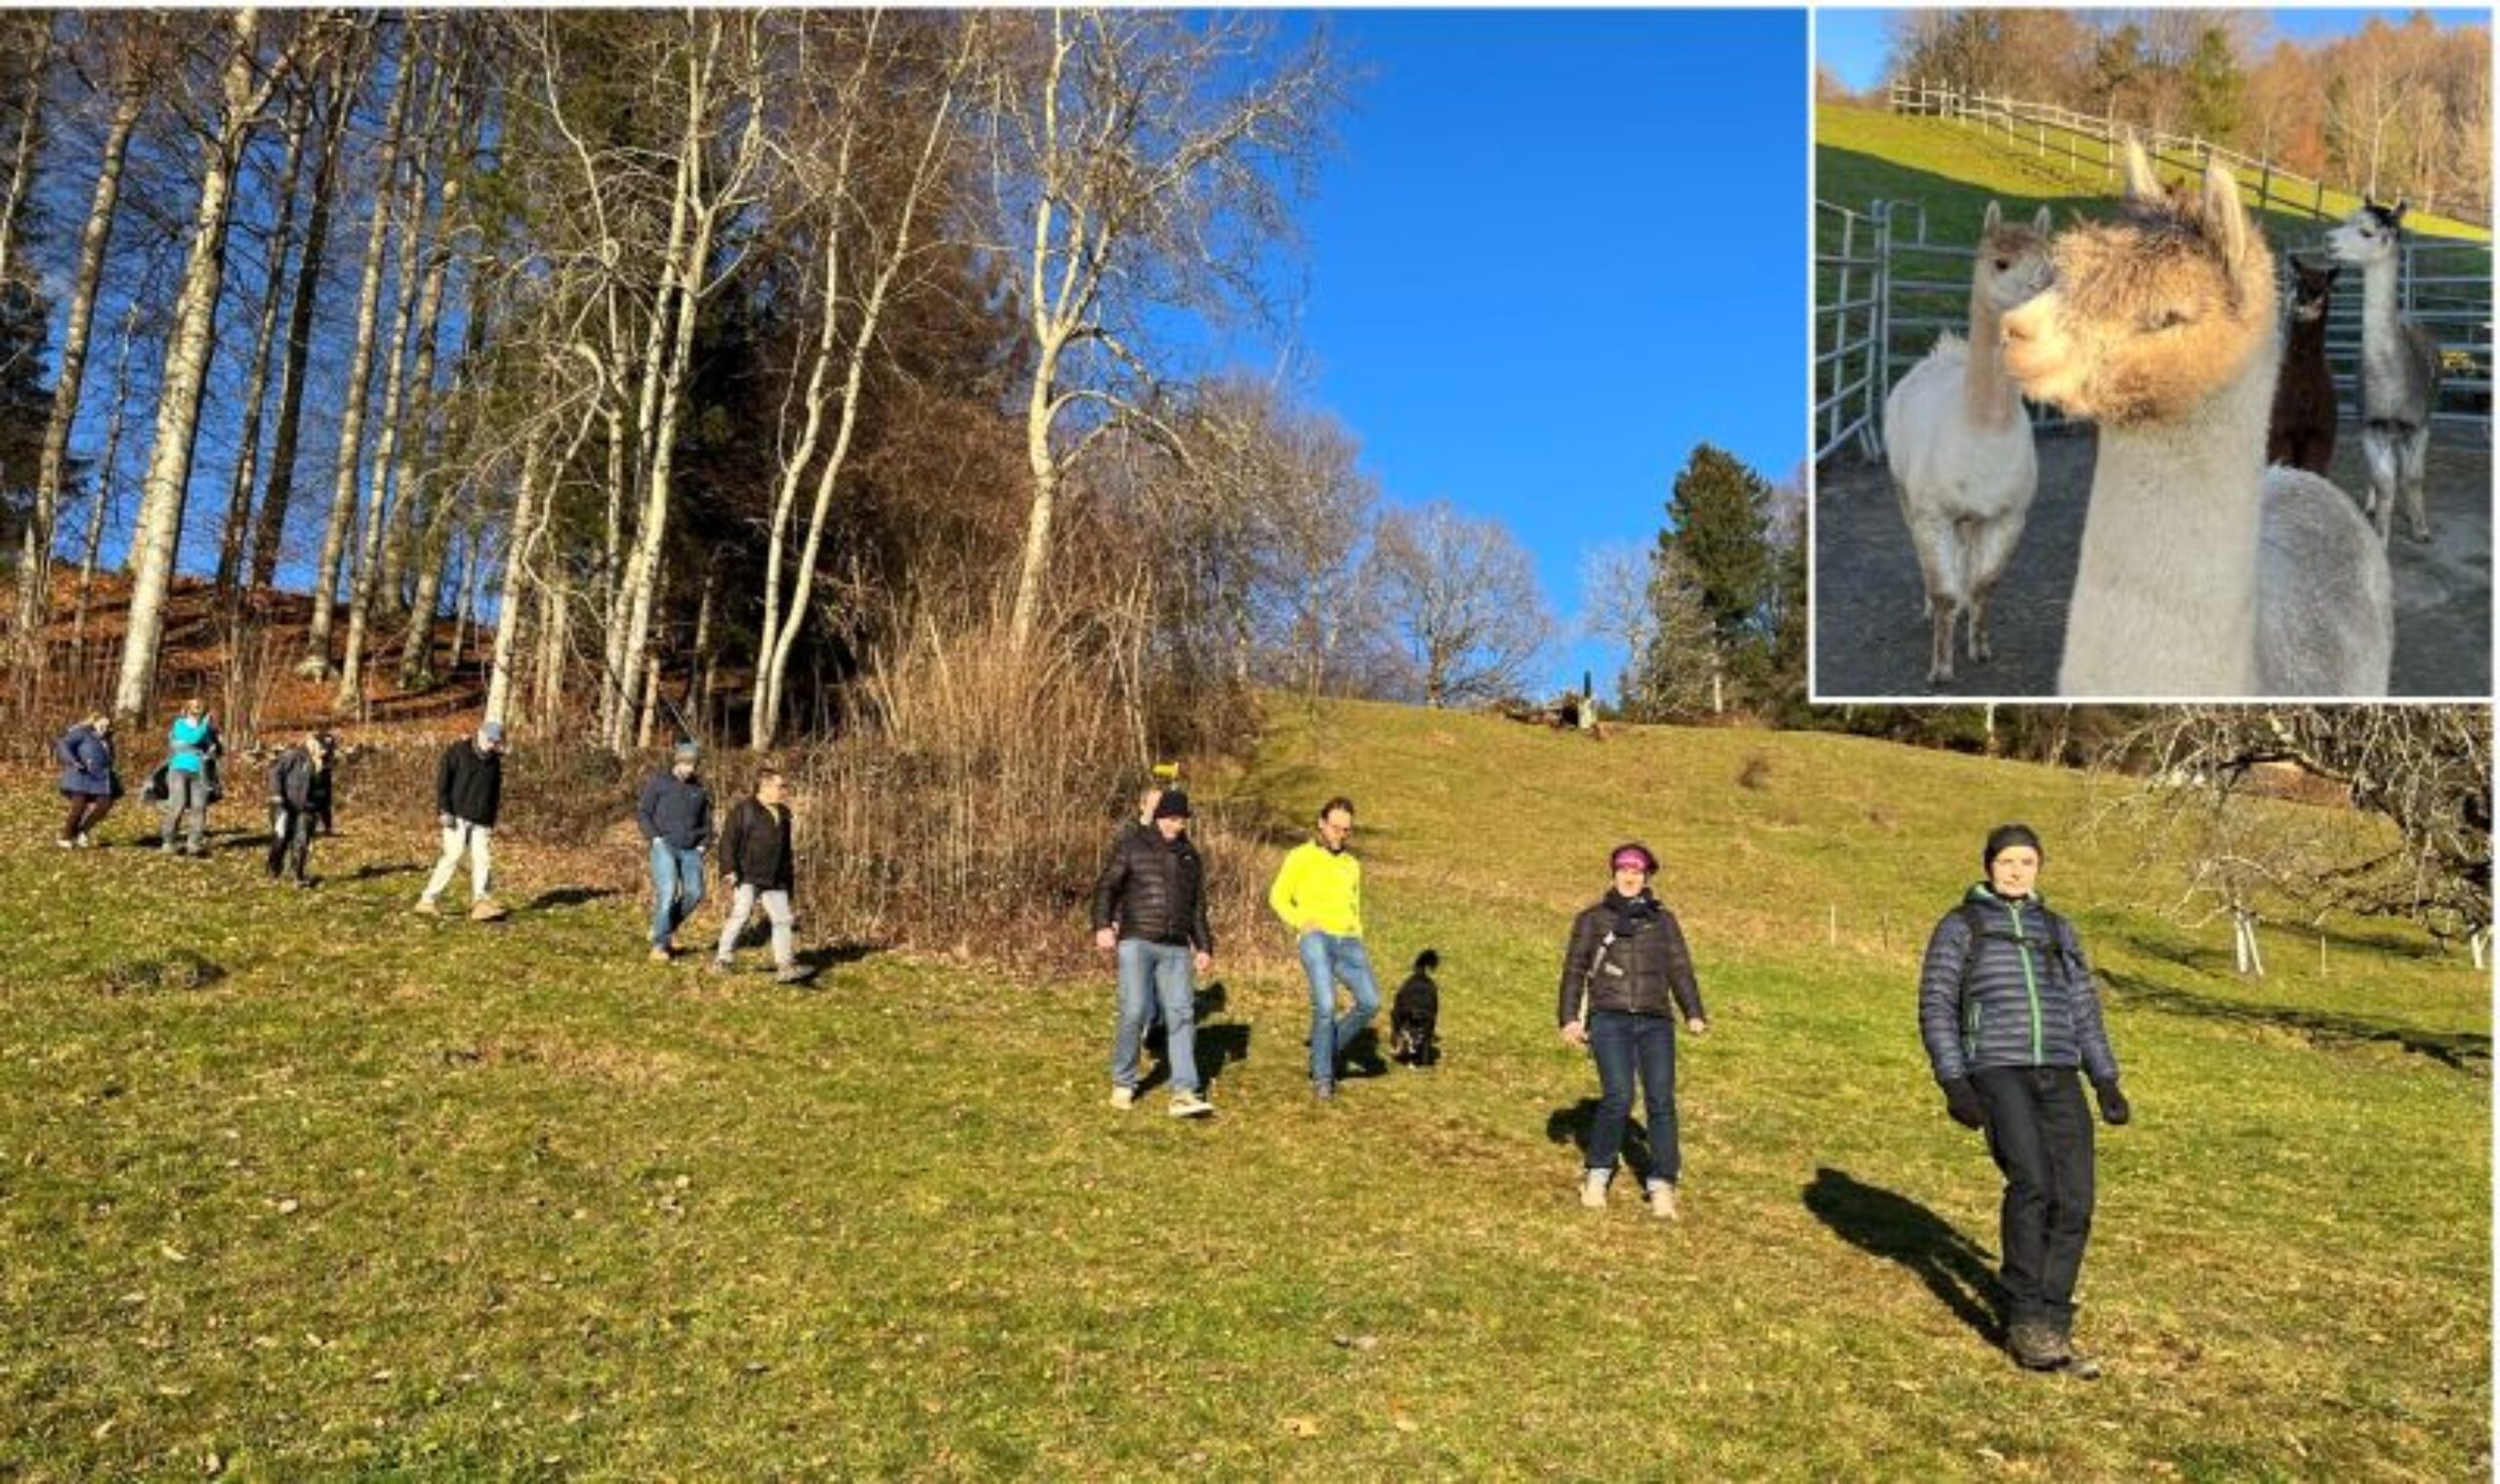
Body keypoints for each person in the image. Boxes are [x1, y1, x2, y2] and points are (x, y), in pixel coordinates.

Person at [1918, 823, 2128, 1377]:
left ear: (2039, 869)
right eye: (2007, 861)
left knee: (2076, 1197)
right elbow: (1937, 1002)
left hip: (2058, 1069)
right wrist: (1953, 1081)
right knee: (2032, 1182)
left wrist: (2104, 1077)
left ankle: (2055, 1316)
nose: (2016, 871)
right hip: (1997, 1066)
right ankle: (2025, 1313)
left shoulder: (2058, 929)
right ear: (1989, 865)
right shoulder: (1962, 926)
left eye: (2027, 862)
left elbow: (2084, 1005)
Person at [1557, 843, 1708, 1218]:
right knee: (1619, 1097)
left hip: (1656, 1020)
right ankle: (1597, 1173)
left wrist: (1693, 1011)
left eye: (1638, 871)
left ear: (1647, 877)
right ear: (1613, 873)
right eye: (1624, 868)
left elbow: (1679, 967)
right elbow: (1574, 970)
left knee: (1661, 1101)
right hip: (1609, 1017)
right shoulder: (1591, 919)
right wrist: (1569, 1018)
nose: (1630, 876)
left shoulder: (1663, 921)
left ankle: (1662, 1184)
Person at [1093, 789, 1215, 1117]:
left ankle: (1184, 1091)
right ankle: (1123, 1081)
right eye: (1174, 819)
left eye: (1183, 820)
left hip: (1176, 948)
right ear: (1160, 817)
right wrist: (1103, 925)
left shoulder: (1191, 856)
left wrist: (1203, 945)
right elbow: (1107, 886)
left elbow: (1197, 907)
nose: (1178, 825)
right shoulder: (1132, 846)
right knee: (1134, 1010)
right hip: (1137, 941)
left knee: (1182, 1016)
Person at [1269, 796, 1379, 1100]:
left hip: (1349, 941)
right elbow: (1278, 896)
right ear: (1321, 823)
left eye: (1346, 830)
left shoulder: (1352, 865)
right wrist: (1299, 921)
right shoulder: (1300, 856)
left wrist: (1357, 933)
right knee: (1326, 1005)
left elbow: (1353, 905)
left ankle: (1323, 1050)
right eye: (1335, 827)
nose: (1339, 834)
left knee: (1370, 1002)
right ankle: (1323, 1078)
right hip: (1316, 938)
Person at [712, 768, 805, 983]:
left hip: (775, 878)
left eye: (784, 786)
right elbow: (728, 841)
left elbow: (786, 851)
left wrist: (788, 881)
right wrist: (729, 869)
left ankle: (786, 966)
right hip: (747, 875)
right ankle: (722, 959)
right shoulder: (744, 810)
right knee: (741, 915)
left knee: (782, 920)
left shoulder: (784, 813)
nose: (784, 790)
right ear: (765, 786)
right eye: (780, 786)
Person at [416, 721, 506, 921]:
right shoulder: (458, 751)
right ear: (480, 734)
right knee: (453, 856)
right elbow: (443, 782)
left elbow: (494, 794)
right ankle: (428, 899)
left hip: (481, 819)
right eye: (490, 739)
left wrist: (490, 821)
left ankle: (481, 901)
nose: (492, 745)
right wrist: (443, 810)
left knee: (483, 859)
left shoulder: (494, 762)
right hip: (456, 816)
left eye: (495, 741)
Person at [637, 740, 713, 962]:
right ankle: (660, 945)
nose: (690, 769)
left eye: (693, 765)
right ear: (677, 761)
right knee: (668, 892)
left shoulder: (699, 790)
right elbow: (643, 812)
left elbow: (708, 823)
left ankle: (663, 927)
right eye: (686, 764)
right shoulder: (659, 782)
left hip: (692, 850)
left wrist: (702, 846)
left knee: (695, 893)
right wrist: (656, 838)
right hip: (665, 846)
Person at [265, 732, 337, 887]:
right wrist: (277, 794)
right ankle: (273, 869)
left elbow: (326, 797)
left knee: (302, 841)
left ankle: (297, 876)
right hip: (284, 805)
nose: (325, 753)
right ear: (313, 745)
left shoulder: (326, 767)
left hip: (308, 808)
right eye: (322, 749)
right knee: (281, 839)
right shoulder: (294, 756)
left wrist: (328, 823)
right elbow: (275, 772)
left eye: (328, 750)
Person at [157, 698, 221, 856]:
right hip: (179, 769)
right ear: (187, 709)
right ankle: (168, 841)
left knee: (199, 807)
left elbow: (215, 748)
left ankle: (194, 843)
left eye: (199, 706)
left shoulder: (207, 729)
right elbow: (193, 739)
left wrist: (214, 749)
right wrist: (205, 728)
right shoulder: (180, 724)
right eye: (193, 706)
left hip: (200, 771)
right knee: (177, 805)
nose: (197, 708)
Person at [55, 712, 118, 848]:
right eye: (102, 724)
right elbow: (63, 744)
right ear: (94, 723)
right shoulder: (81, 733)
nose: (105, 728)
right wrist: (73, 761)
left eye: (107, 725)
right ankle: (65, 837)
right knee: (79, 807)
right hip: (80, 775)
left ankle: (83, 832)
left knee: (105, 805)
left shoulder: (108, 738)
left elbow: (110, 758)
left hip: (101, 779)